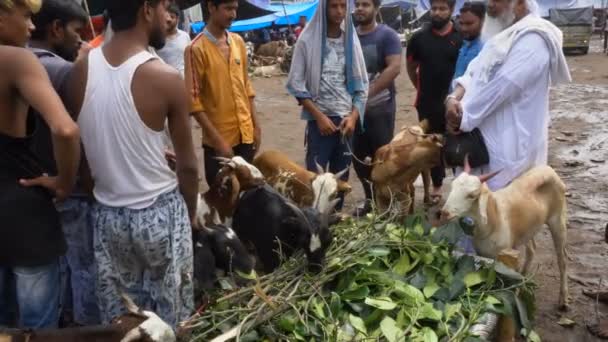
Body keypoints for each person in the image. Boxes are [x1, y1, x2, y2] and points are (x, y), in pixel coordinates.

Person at [65, 0, 199, 327]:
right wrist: (190, 214)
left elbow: (87, 145)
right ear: (146, 9)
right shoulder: (165, 77)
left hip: (109, 216)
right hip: (160, 213)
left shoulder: (80, 69)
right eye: (165, 7)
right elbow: (189, 167)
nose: (169, 17)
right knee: (171, 323)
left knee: (122, 322)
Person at [0, 0, 81, 329]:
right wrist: (64, 182)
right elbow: (65, 129)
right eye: (26, 16)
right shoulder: (17, 60)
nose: (33, 27)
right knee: (39, 330)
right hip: (24, 214)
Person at [444, 0, 570, 191]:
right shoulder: (501, 36)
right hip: (480, 142)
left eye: (496, 0)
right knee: (476, 208)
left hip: (511, 147)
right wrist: (453, 97)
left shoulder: (534, 38)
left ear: (519, 3)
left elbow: (501, 87)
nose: (490, 5)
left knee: (507, 211)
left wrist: (463, 118)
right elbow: (474, 71)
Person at [28, 0, 100, 326]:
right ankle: (85, 329)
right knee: (85, 267)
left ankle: (62, 322)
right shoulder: (59, 70)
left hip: (34, 184)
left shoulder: (19, 60)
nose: (80, 40)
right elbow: (76, 130)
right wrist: (72, 181)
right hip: (69, 189)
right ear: (56, 29)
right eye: (75, 31)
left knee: (59, 267)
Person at [286, 0, 368, 209]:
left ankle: (336, 227)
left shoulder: (350, 40)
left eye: (343, 6)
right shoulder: (307, 40)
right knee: (316, 182)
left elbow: (362, 85)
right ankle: (315, 229)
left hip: (345, 123)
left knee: (341, 181)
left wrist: (353, 118)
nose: (339, 11)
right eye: (334, 6)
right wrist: (318, 117)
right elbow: (295, 84)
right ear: (324, 8)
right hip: (319, 124)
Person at [186, 0, 261, 187]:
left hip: (246, 135)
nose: (233, 14)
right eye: (228, 9)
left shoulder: (238, 42)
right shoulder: (195, 49)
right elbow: (193, 103)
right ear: (211, 7)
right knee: (223, 202)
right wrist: (219, 142)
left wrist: (256, 127)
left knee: (247, 198)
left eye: (235, 8)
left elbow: (247, 88)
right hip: (218, 144)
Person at [406, 0, 462, 205]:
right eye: (434, 8)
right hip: (427, 102)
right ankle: (437, 185)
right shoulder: (419, 37)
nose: (437, 13)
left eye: (442, 9)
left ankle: (460, 184)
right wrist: (421, 89)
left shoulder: (460, 35)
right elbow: (411, 67)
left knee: (458, 142)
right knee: (432, 146)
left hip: (457, 101)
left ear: (451, 10)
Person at [352, 0, 401, 216]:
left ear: (376, 8)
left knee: (381, 158)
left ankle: (387, 204)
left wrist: (367, 94)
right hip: (354, 111)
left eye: (366, 4)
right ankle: (370, 201)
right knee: (358, 158)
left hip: (380, 108)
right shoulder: (350, 35)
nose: (360, 8)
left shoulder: (387, 35)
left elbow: (394, 68)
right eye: (358, 4)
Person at [452, 1, 485, 81]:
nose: (464, 28)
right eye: (461, 23)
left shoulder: (485, 49)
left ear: (483, 20)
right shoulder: (465, 43)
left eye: (469, 24)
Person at [156, 3, 190, 76]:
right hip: (165, 80)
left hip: (184, 80)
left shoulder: (185, 36)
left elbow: (190, 58)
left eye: (172, 17)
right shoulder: (157, 39)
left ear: (177, 19)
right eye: (166, 17)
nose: (169, 19)